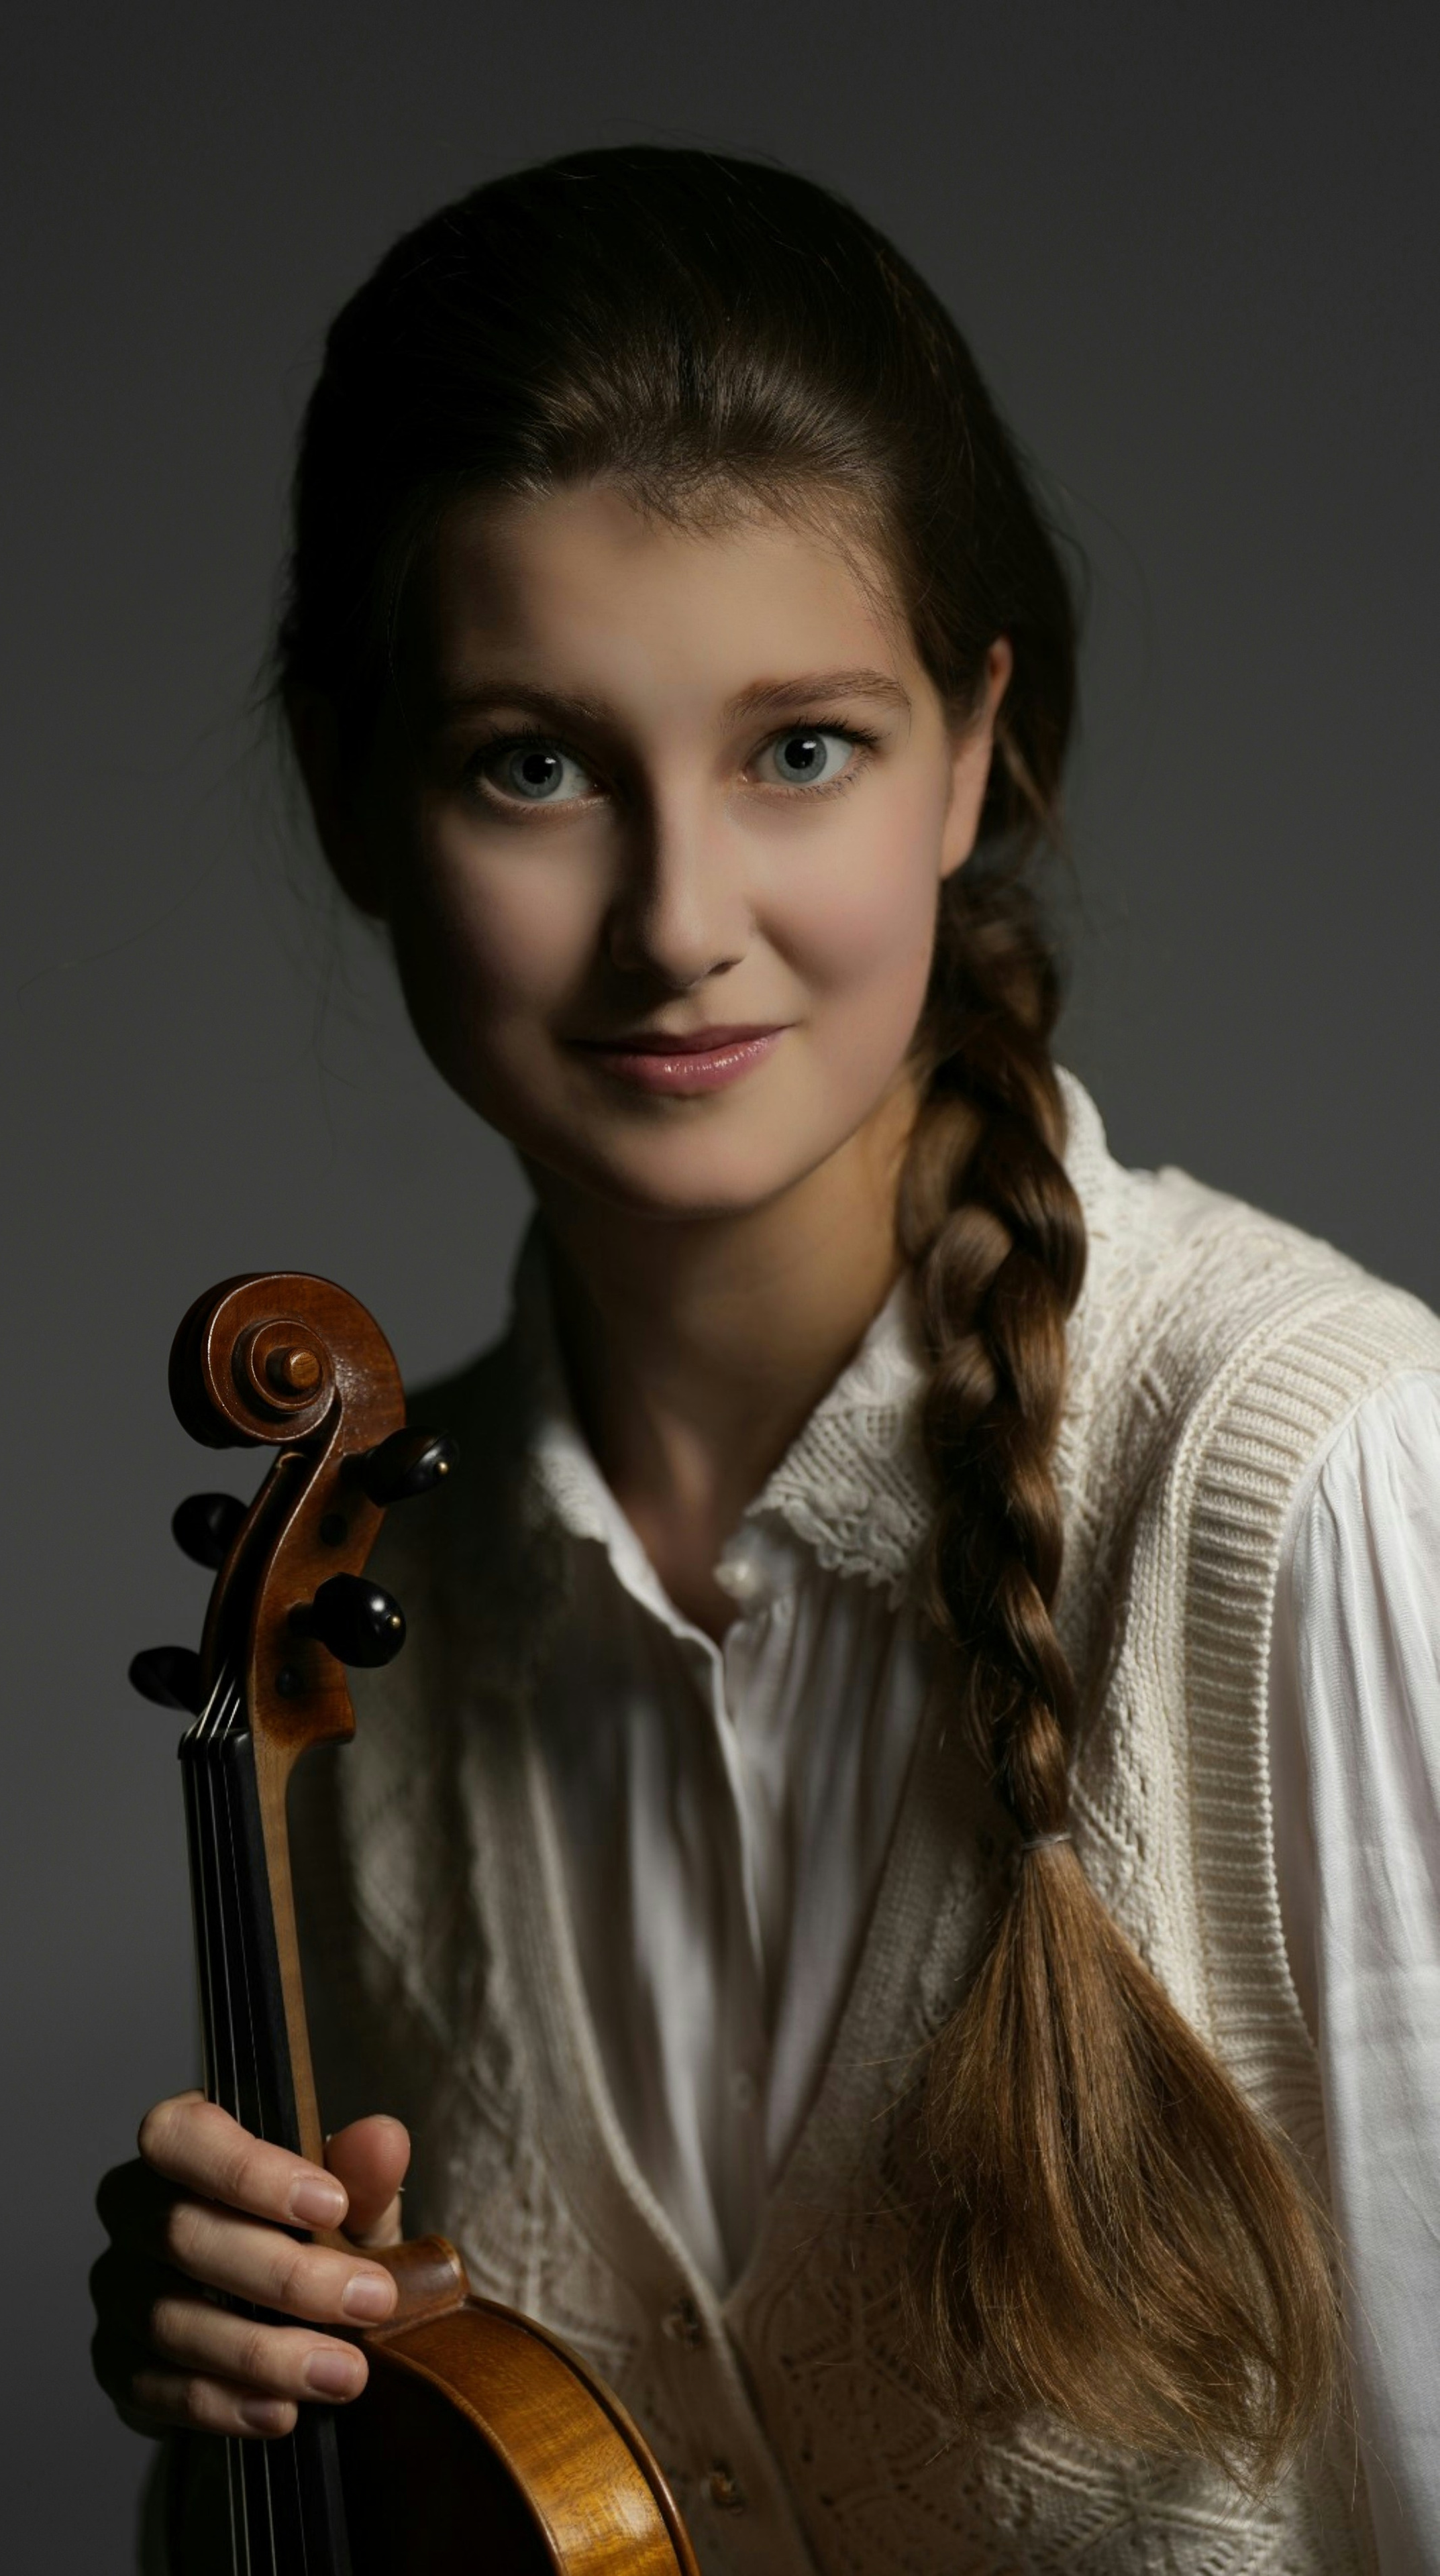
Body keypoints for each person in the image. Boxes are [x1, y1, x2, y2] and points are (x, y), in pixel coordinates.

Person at [89, 148, 1440, 2572]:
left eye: (797, 747)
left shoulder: (1314, 1480)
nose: (678, 921)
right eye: (534, 762)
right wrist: (266, 2431)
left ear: (971, 758)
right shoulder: (355, 1634)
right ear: (354, 796)